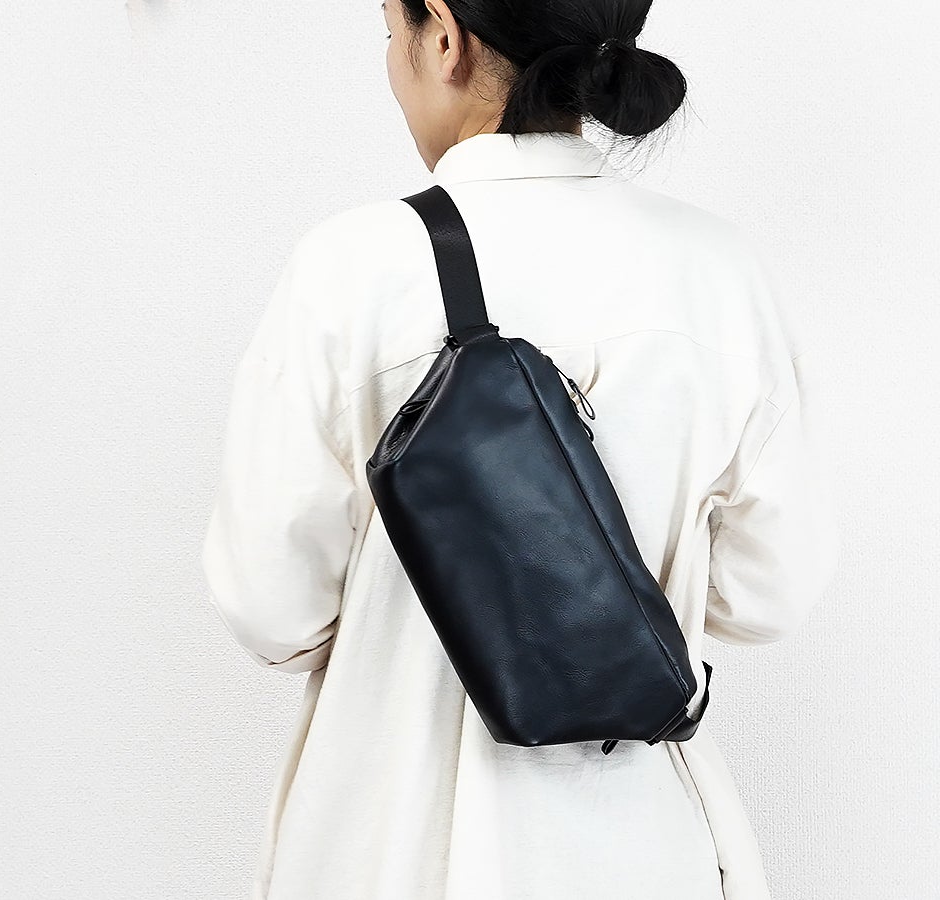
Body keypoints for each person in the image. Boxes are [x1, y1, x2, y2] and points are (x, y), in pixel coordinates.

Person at [198, 1, 841, 898]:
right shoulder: (719, 270)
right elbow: (769, 594)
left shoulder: (349, 267)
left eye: (390, 30)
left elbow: (274, 609)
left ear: (444, 36)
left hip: (393, 844)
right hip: (642, 848)